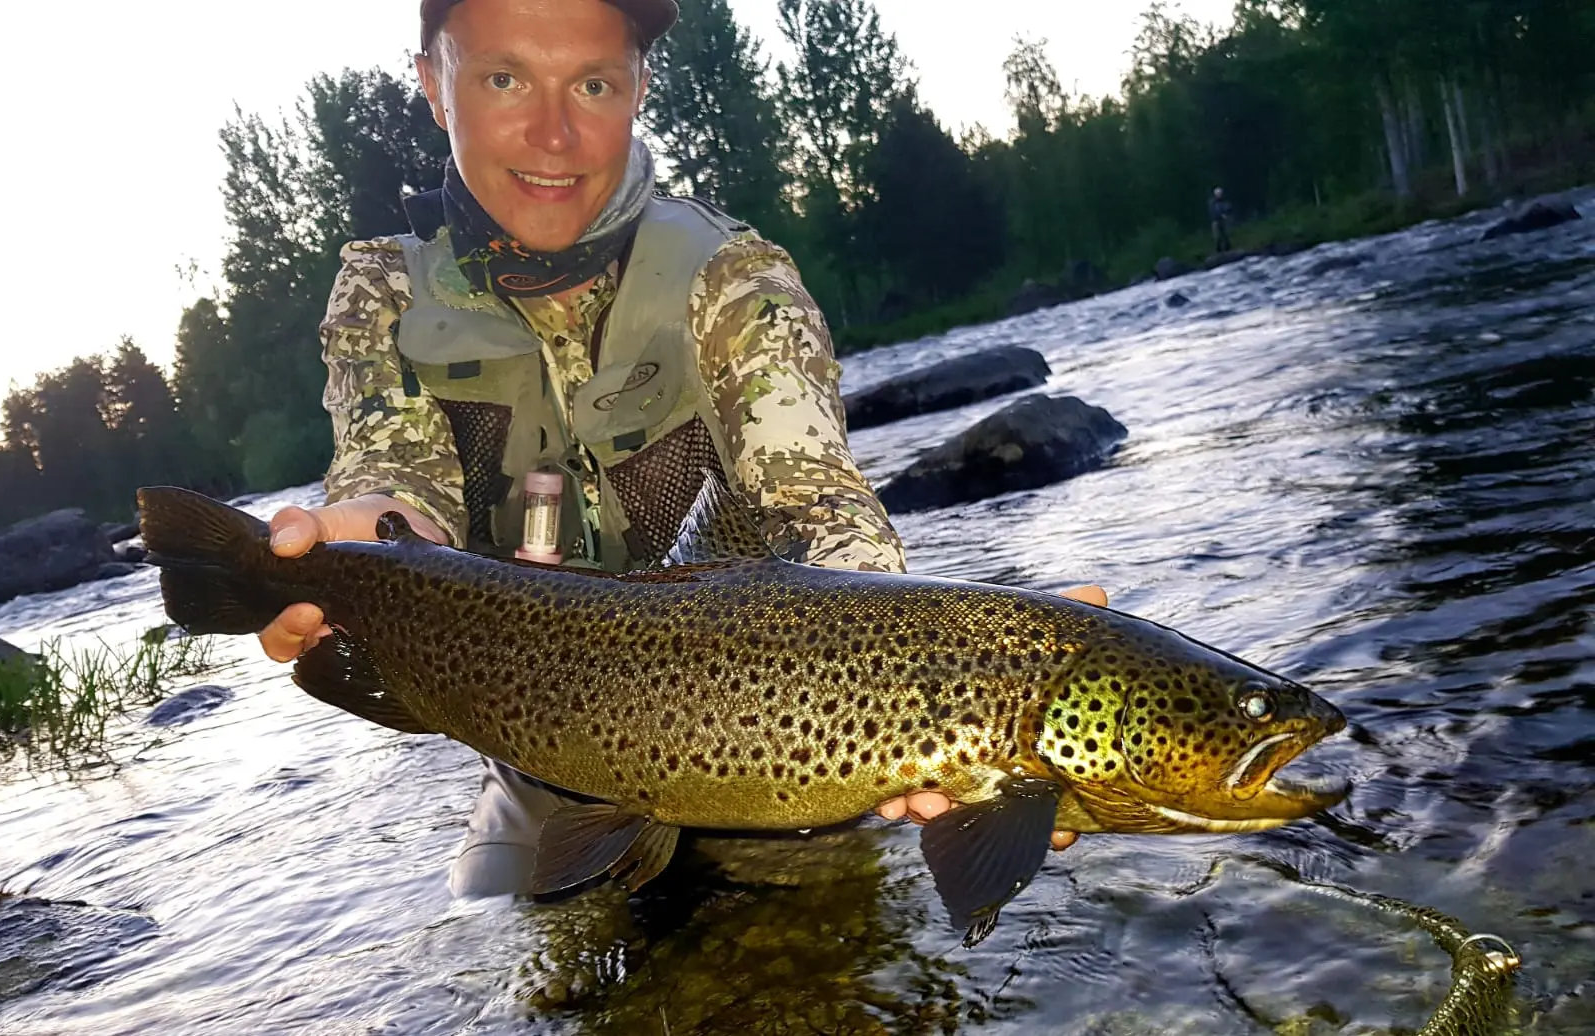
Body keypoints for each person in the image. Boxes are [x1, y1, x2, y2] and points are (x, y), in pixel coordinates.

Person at [257, 0, 1100, 898]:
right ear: (434, 85)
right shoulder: (383, 292)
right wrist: (349, 546)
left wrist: (971, 684)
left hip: (783, 736)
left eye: (592, 84)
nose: (553, 133)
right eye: (504, 79)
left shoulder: (736, 281)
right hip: (541, 741)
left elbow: (815, 507)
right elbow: (399, 486)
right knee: (518, 949)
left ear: (638, 89)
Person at [1209, 186, 1233, 253]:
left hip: (1224, 221)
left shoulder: (1224, 201)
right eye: (1218, 193)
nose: (1219, 195)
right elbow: (1212, 212)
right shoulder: (1212, 202)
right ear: (1215, 194)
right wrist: (1220, 215)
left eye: (1220, 193)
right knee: (1217, 237)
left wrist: (1226, 214)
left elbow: (1229, 208)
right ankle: (1218, 251)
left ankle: (1228, 249)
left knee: (1226, 235)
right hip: (1216, 221)